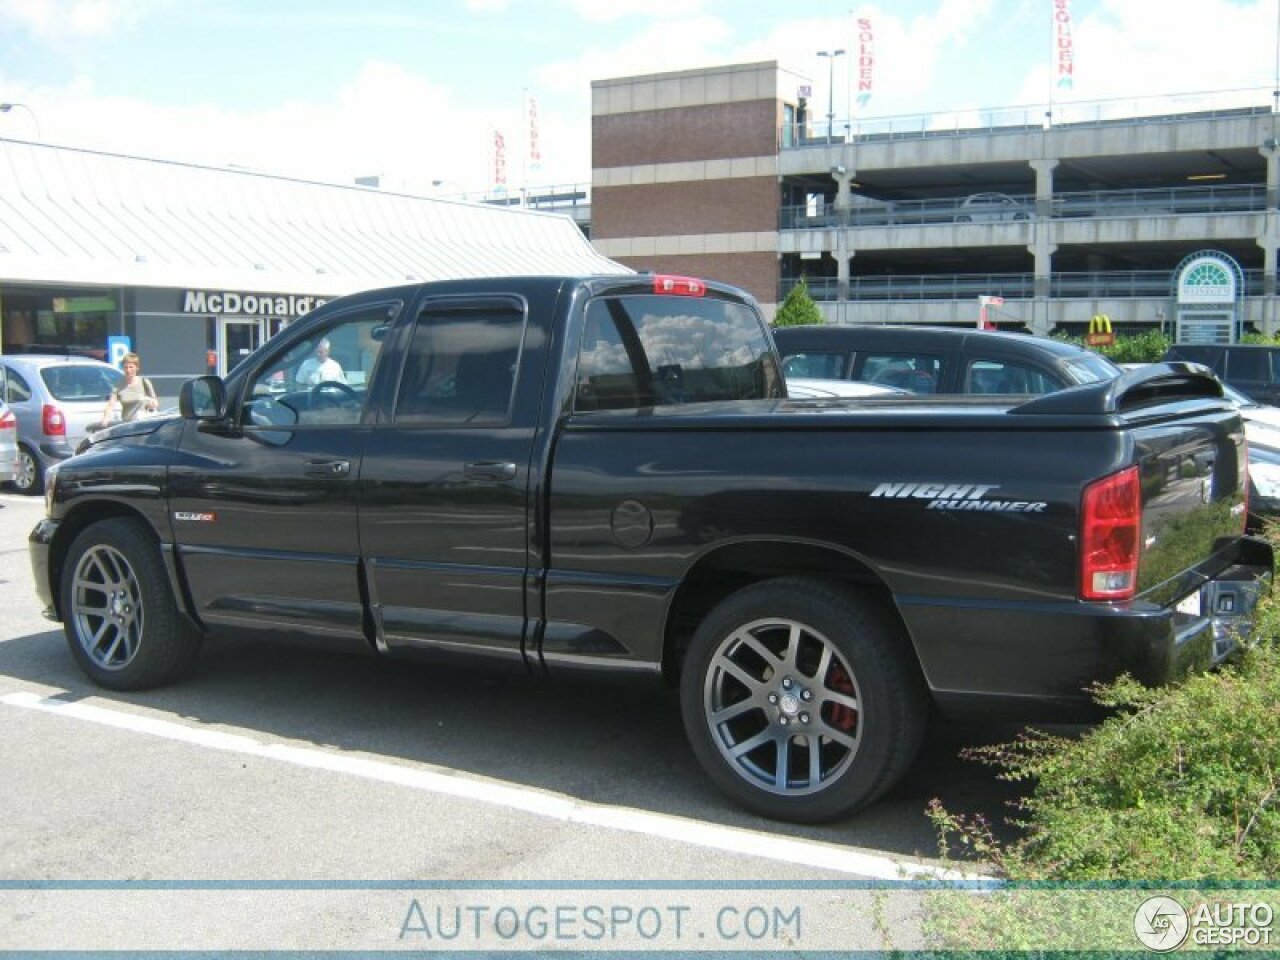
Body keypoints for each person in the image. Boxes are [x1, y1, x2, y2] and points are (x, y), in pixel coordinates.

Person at [99, 352, 158, 427]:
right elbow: (110, 405)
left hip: (143, 424)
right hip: (127, 424)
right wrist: (105, 419)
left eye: (131, 367)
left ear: (137, 368)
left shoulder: (144, 382)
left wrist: (150, 404)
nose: (128, 370)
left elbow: (155, 402)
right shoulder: (119, 386)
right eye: (126, 367)